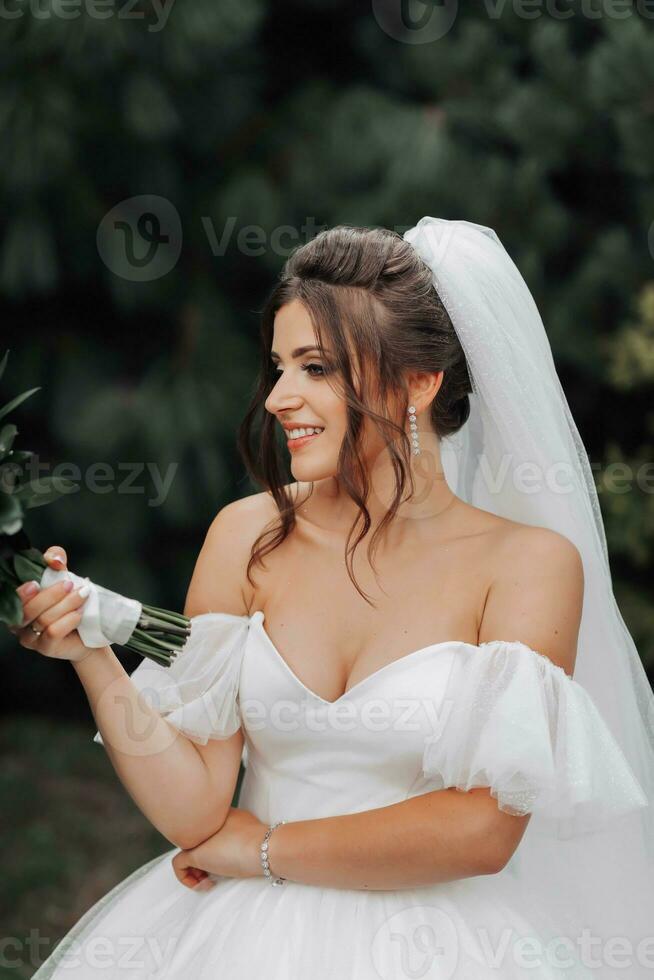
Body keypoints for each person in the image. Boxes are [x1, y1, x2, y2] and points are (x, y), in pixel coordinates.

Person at [13, 218, 654, 979]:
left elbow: (485, 831)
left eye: (316, 367)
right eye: (278, 365)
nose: (279, 396)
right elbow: (193, 811)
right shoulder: (244, 537)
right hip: (235, 942)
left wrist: (261, 850)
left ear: (419, 381)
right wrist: (93, 659)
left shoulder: (528, 566)